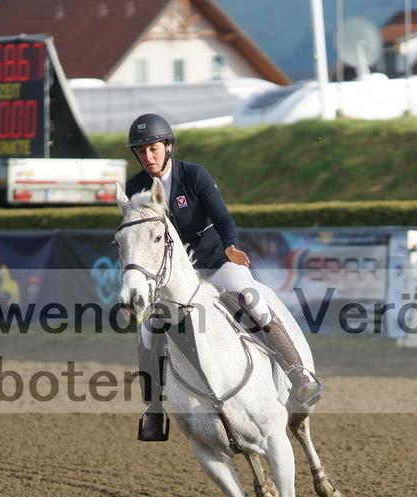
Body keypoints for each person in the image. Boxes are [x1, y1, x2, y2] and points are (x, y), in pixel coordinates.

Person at [122, 113, 322, 441]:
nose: (148, 157)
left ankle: (297, 373)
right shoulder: (135, 187)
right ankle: (153, 409)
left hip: (215, 262)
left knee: (250, 297)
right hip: (172, 280)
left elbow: (223, 218)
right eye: (141, 152)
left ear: (169, 147)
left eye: (153, 149)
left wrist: (231, 247)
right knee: (147, 331)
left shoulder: (194, 175)